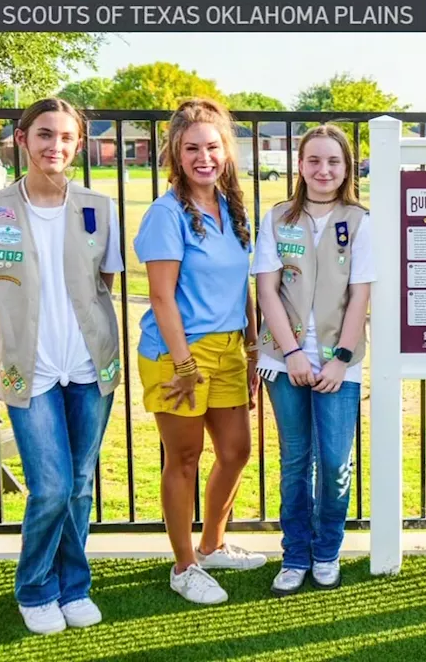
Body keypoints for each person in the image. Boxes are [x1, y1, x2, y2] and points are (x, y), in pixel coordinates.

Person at [0, 98, 123, 633]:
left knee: (80, 484)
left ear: (77, 145)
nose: (53, 145)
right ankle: (35, 587)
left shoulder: (98, 207)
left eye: (64, 137)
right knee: (52, 486)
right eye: (43, 134)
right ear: (22, 137)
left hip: (88, 367)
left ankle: (72, 586)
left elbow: (106, 284)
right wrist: (21, 334)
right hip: (29, 370)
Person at [134, 98, 265, 605]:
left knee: (236, 451)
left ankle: (212, 546)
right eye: (192, 148)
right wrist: (185, 366)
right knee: (184, 458)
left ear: (226, 151)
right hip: (177, 353)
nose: (203, 157)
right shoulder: (166, 214)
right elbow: (162, 297)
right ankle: (184, 565)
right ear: (175, 153)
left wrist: (252, 346)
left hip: (230, 348)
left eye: (212, 146)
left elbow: (241, 285)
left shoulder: (232, 209)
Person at [253, 125, 375, 595]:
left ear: (347, 168)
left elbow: (360, 294)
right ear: (300, 165)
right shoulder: (277, 217)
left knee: (334, 462)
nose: (324, 170)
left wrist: (340, 359)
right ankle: (296, 554)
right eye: (314, 160)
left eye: (334, 162)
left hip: (338, 364)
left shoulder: (360, 220)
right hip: (285, 362)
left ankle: (327, 551)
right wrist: (292, 354)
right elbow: (267, 289)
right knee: (295, 460)